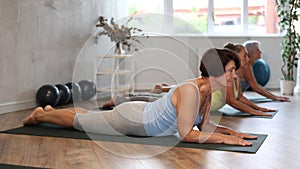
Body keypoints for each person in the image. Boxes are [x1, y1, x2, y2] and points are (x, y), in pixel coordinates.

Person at [23, 48, 257, 146]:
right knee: (80, 123)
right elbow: (187, 135)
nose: (235, 76)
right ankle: (40, 115)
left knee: (89, 117)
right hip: (132, 121)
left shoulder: (208, 92)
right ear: (215, 71)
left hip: (140, 116)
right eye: (230, 71)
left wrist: (233, 133)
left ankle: (51, 111)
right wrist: (226, 140)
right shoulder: (191, 91)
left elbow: (204, 127)